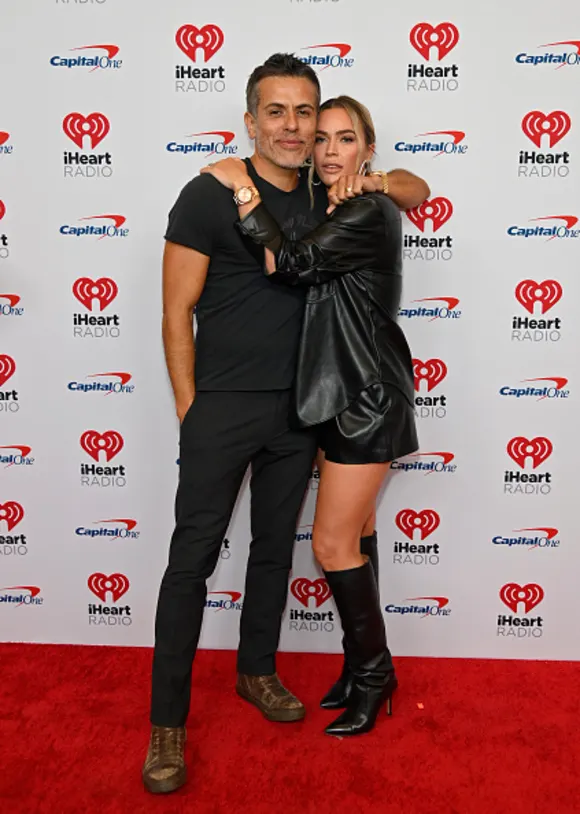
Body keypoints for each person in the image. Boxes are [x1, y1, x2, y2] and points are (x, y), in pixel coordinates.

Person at [143, 54, 428, 794]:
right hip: (223, 406)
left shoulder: (324, 190)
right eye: (279, 112)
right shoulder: (208, 194)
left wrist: (384, 178)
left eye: (306, 114)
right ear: (251, 120)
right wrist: (189, 405)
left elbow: (411, 188)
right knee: (190, 564)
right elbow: (175, 311)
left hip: (303, 406)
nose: (296, 128)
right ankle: (166, 727)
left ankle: (257, 671)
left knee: (275, 550)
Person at [201, 94, 419, 738]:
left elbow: (289, 264)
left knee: (329, 544)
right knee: (357, 537)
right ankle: (360, 667)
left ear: (367, 149)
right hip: (338, 394)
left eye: (345, 139)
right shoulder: (338, 205)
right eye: (320, 138)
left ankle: (376, 676)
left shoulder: (366, 209)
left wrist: (242, 190)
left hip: (364, 398)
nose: (328, 150)